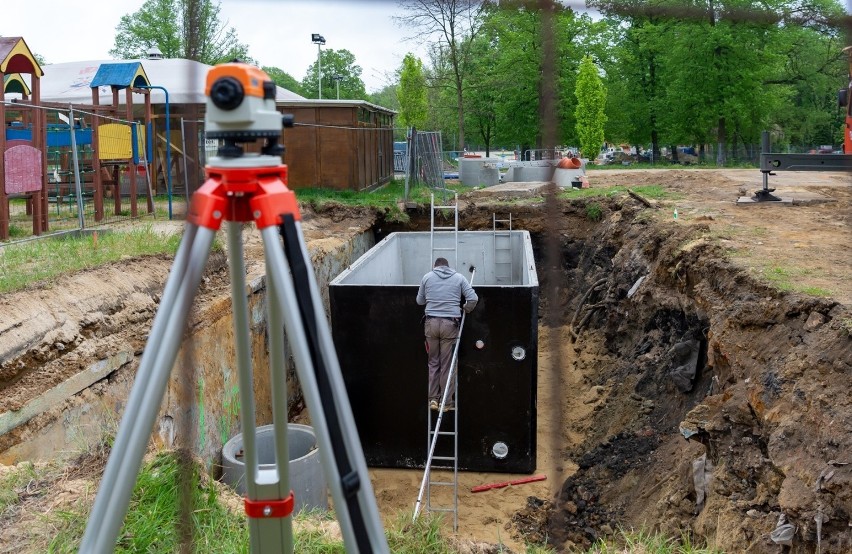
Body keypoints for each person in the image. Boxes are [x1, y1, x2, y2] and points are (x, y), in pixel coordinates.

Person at [416, 258, 478, 412]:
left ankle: (433, 400)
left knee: (433, 363)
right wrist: (466, 308)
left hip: (431, 324)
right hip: (450, 325)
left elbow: (419, 301)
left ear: (435, 266)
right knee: (447, 365)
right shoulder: (459, 278)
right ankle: (446, 402)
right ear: (448, 267)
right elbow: (473, 298)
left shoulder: (427, 277)